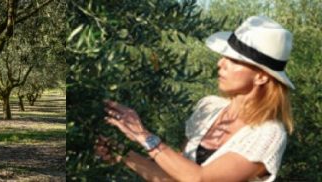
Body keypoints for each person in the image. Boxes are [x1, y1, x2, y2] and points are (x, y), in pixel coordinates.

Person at [94, 16, 294, 181]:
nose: (220, 63)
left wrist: (142, 135)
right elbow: (175, 178)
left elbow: (201, 179)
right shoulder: (209, 108)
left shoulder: (268, 134)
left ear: (261, 76)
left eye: (234, 60)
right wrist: (123, 155)